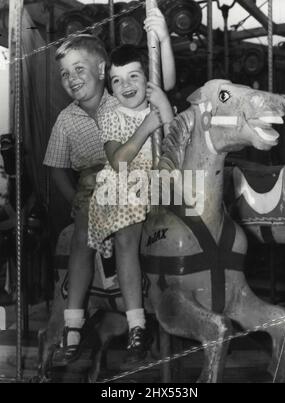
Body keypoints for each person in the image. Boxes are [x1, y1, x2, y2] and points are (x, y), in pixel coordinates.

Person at [88, 8, 175, 365]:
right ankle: (137, 321)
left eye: (135, 76)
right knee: (127, 230)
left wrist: (164, 39)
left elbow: (166, 81)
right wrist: (146, 126)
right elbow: (119, 161)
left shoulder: (155, 99)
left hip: (159, 182)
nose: (127, 86)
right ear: (109, 88)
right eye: (117, 80)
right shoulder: (111, 115)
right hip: (121, 187)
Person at [43, 34, 119, 363]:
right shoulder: (65, 120)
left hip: (127, 181)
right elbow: (57, 168)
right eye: (64, 74)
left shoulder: (122, 105)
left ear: (101, 70)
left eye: (79, 69)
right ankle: (73, 321)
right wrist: (73, 198)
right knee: (83, 230)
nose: (72, 79)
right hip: (89, 189)